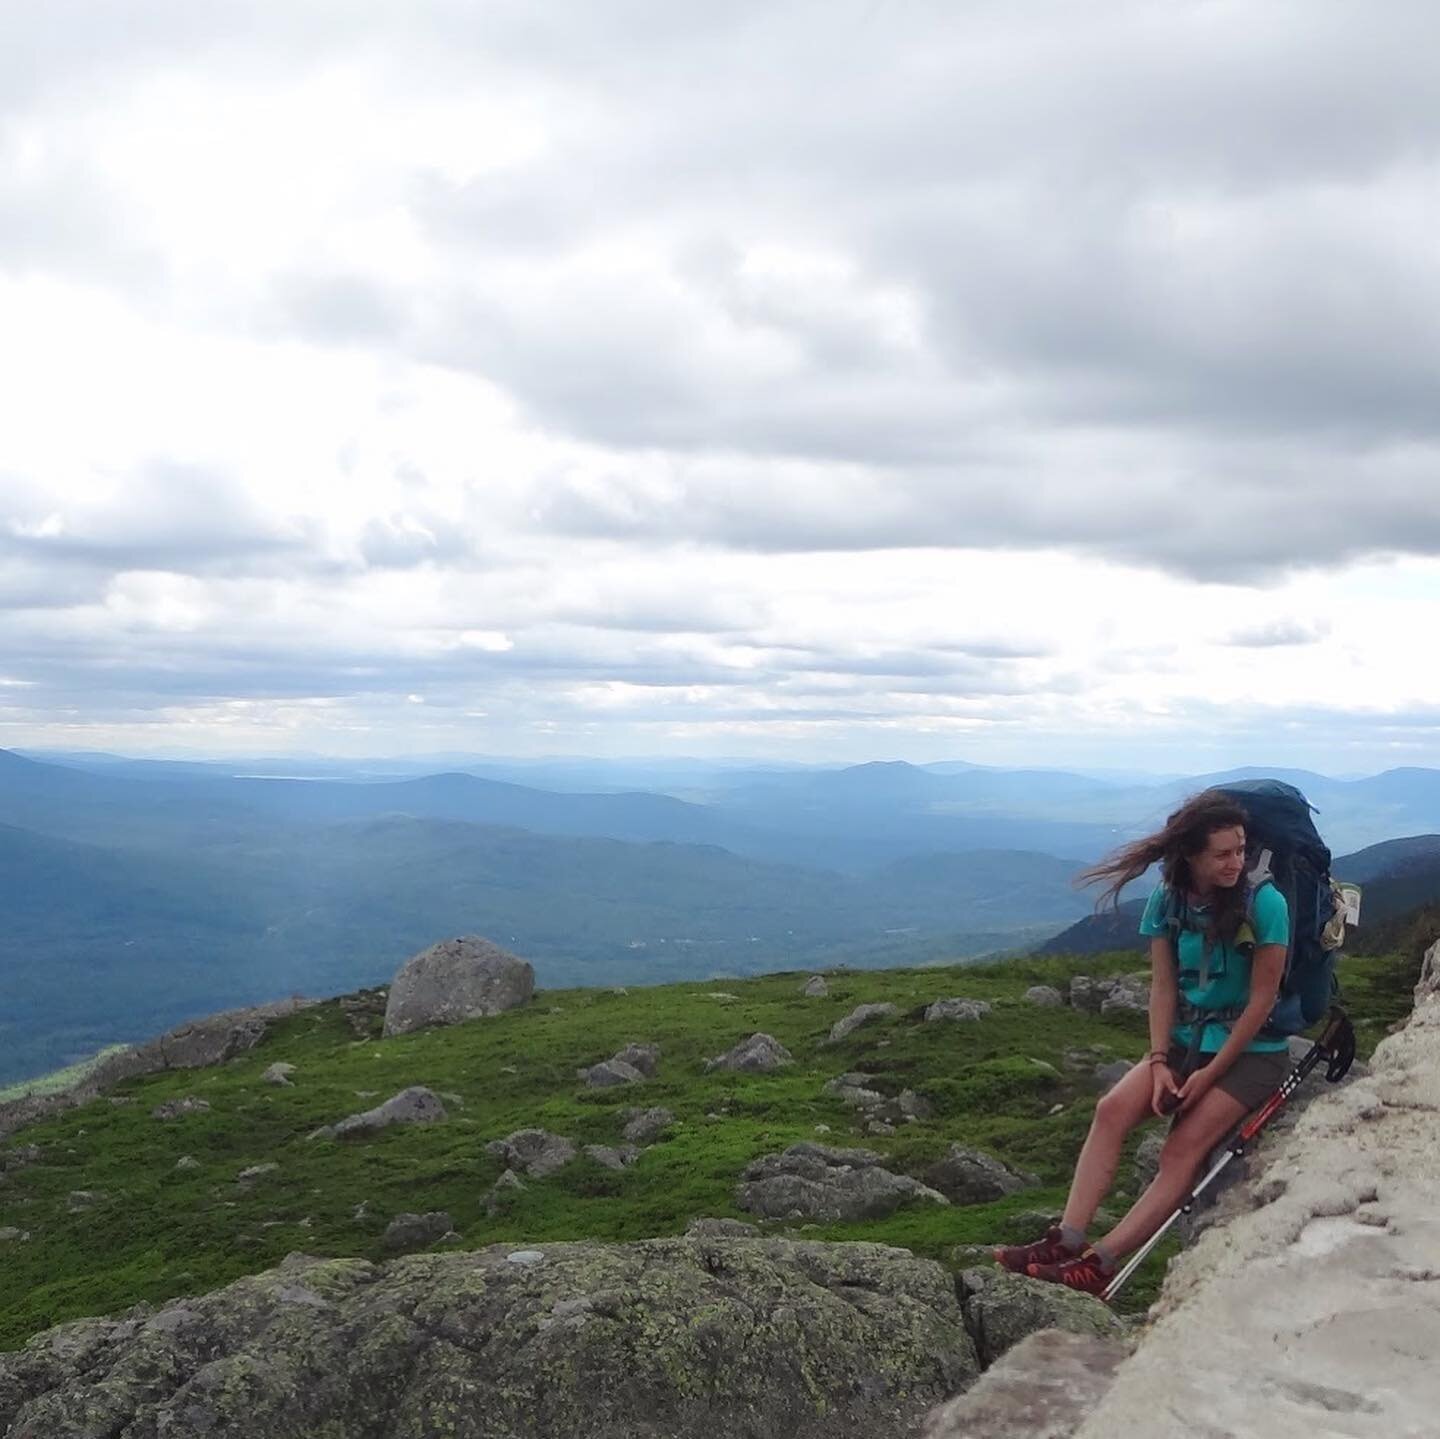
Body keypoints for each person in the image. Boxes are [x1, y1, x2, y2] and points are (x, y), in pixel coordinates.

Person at [993, 789, 1291, 1296]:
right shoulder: (1168, 899)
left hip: (1253, 1050)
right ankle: (1065, 1239)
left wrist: (1208, 1074)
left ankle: (1099, 1263)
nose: (1235, 862)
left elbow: (1263, 1000)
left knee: (1180, 1149)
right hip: (1184, 1041)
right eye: (1222, 853)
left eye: (1240, 850)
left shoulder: (1266, 902)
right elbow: (1162, 986)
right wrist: (1158, 1063)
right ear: (1191, 856)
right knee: (1111, 1110)